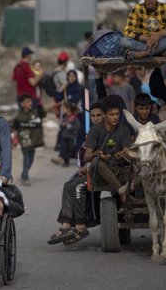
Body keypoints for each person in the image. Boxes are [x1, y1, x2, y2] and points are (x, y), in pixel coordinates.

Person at [47, 102, 104, 246]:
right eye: (93, 116)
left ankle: (80, 225)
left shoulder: (105, 132)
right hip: (88, 169)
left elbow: (104, 155)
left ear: (104, 116)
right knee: (68, 185)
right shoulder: (92, 132)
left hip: (101, 171)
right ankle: (66, 224)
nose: (96, 118)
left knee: (77, 187)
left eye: (99, 115)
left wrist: (90, 165)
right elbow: (83, 153)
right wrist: (84, 165)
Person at [84, 97, 133, 195]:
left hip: (120, 171)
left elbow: (127, 151)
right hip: (100, 175)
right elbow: (86, 157)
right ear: (103, 115)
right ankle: (120, 190)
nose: (115, 117)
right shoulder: (95, 130)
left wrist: (123, 154)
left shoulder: (124, 130)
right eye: (111, 114)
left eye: (117, 114)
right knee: (96, 161)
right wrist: (96, 154)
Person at [13, 94, 46, 186]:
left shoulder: (36, 113)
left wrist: (40, 105)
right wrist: (14, 140)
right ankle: (25, 178)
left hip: (34, 141)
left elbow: (44, 113)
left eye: (31, 101)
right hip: (24, 142)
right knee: (26, 159)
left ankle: (24, 173)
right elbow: (15, 129)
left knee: (30, 161)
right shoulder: (18, 116)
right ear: (22, 104)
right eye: (28, 102)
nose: (30, 103)